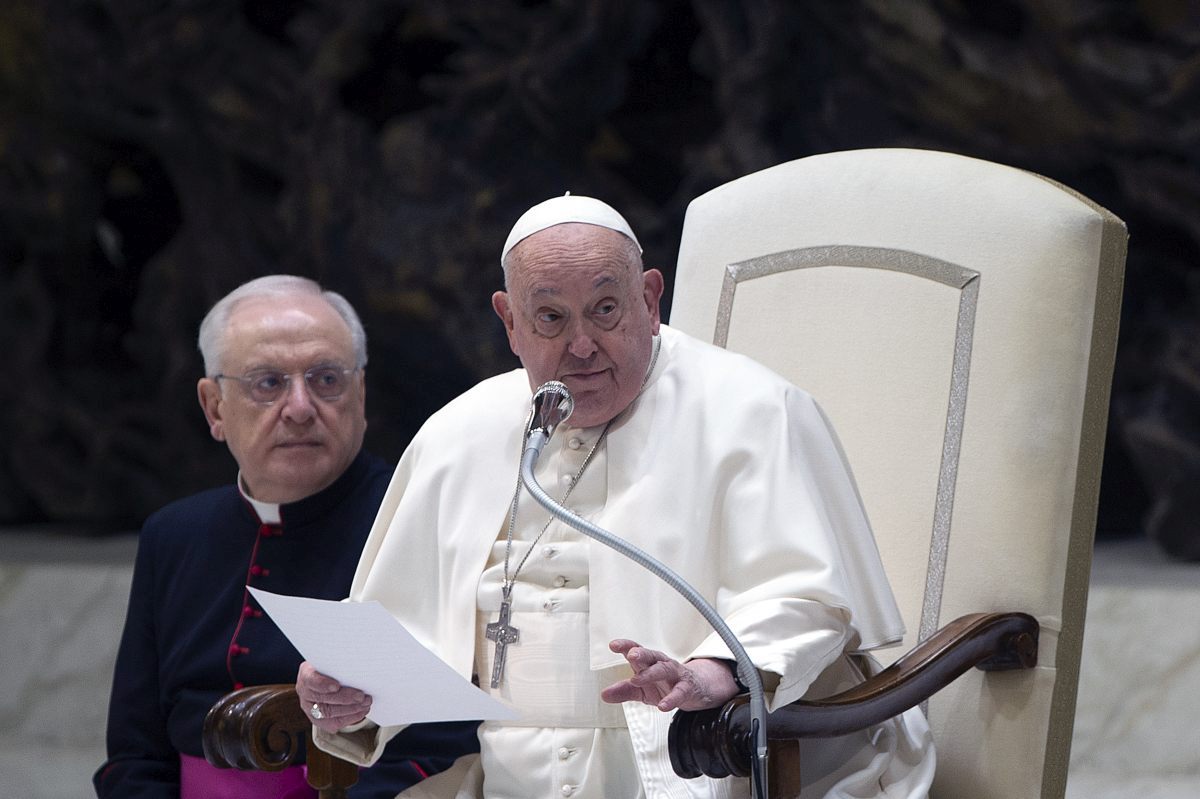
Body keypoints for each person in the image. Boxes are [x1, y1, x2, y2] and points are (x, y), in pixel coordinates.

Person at [296, 197, 936, 798]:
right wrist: (346, 687)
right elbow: (392, 634)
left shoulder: (755, 410)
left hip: (708, 764)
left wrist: (714, 673)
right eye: (551, 318)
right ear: (510, 322)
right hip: (512, 775)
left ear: (650, 300)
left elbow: (808, 599)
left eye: (606, 309)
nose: (581, 346)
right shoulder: (459, 432)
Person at [94, 275, 479, 799]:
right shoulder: (174, 535)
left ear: (360, 394)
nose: (300, 407)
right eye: (268, 383)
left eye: (326, 379)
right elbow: (135, 752)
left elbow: (448, 739)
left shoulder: (422, 521)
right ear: (214, 408)